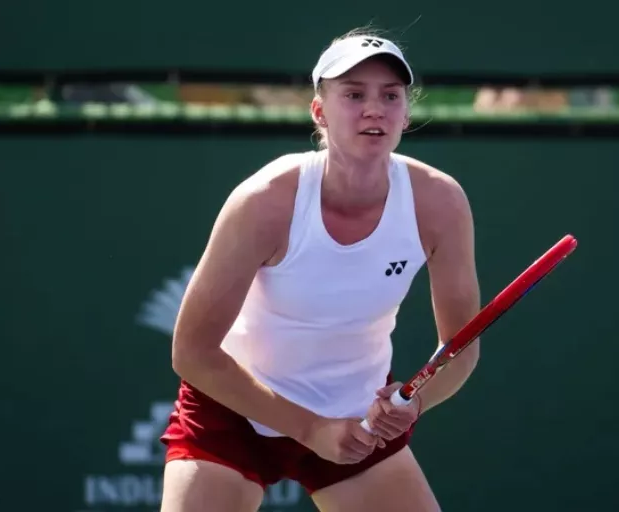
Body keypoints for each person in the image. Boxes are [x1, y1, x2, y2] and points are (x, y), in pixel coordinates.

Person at [159, 27, 481, 512]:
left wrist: (415, 402)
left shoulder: (440, 202)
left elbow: (460, 347)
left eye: (390, 95)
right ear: (319, 112)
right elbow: (191, 352)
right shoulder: (265, 201)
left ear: (406, 113)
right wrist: (310, 429)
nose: (374, 109)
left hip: (357, 421)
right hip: (234, 412)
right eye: (354, 94)